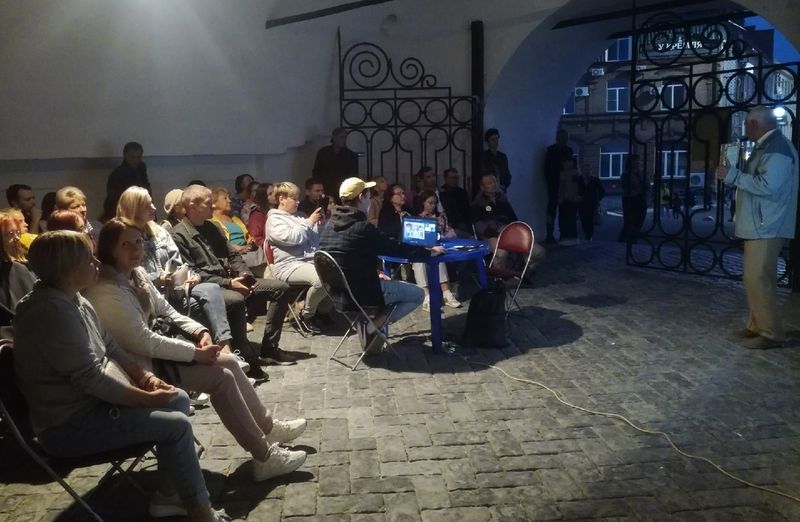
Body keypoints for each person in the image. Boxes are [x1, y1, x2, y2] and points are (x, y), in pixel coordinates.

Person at [13, 230, 228, 522]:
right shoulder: (49, 312)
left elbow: (111, 346)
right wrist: (144, 399)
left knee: (177, 398)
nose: (96, 263)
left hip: (92, 406)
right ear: (67, 268)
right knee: (176, 425)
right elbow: (90, 378)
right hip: (68, 426)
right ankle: (200, 511)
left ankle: (170, 494)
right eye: (88, 259)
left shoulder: (73, 298)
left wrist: (146, 379)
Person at [85, 219, 308, 482]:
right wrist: (195, 352)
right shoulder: (108, 292)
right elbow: (143, 341)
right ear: (109, 249)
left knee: (229, 362)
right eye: (125, 244)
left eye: (138, 242)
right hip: (141, 370)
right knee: (221, 378)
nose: (136, 249)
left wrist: (199, 331)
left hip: (157, 356)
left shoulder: (136, 275)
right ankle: (264, 455)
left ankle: (267, 427)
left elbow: (167, 311)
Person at [116, 186, 255, 372]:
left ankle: (226, 349)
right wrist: (158, 279)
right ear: (134, 208)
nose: (154, 208)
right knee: (224, 298)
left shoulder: (159, 232)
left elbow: (180, 263)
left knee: (212, 290)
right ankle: (227, 357)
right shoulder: (124, 236)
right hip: (150, 294)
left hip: (179, 288)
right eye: (148, 205)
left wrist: (190, 276)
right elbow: (127, 272)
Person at [171, 185, 295, 369]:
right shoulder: (179, 235)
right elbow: (192, 273)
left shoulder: (212, 227)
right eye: (208, 203)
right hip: (209, 287)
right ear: (192, 206)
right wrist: (228, 283)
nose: (213, 206)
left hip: (229, 280)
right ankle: (245, 356)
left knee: (281, 289)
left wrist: (245, 275)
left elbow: (233, 255)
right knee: (235, 299)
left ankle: (269, 347)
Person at [715, 106, 799, 350]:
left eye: (746, 124)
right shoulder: (769, 146)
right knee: (758, 278)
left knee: (757, 278)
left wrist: (732, 176)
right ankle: (757, 326)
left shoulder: (777, 148)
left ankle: (771, 333)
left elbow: (767, 185)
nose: (745, 128)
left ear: (754, 124)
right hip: (764, 223)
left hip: (767, 224)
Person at [319, 177, 429, 352]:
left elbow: (345, 258)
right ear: (361, 197)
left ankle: (369, 325)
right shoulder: (362, 228)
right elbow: (394, 248)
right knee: (418, 294)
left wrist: (375, 271)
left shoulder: (329, 225)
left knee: (389, 286)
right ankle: (371, 326)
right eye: (368, 196)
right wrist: (428, 251)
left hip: (339, 293)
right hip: (364, 293)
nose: (370, 200)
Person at [266, 182, 333, 334]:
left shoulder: (300, 216)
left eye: (298, 198)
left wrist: (320, 225)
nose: (298, 202)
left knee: (338, 273)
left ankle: (321, 311)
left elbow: (315, 240)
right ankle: (306, 314)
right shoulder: (274, 220)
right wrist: (309, 222)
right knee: (322, 279)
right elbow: (293, 239)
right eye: (294, 198)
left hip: (308, 261)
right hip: (288, 265)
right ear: (281, 199)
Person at [471, 173, 545, 274]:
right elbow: (477, 224)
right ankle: (499, 277)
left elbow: (514, 219)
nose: (493, 185)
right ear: (482, 187)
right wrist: (495, 231)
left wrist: (518, 231)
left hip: (509, 233)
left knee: (539, 252)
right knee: (501, 254)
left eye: (495, 182)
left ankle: (523, 272)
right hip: (491, 236)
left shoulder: (503, 200)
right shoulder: (477, 203)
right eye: (489, 183)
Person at [412, 190, 460, 311]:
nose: (433, 206)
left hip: (438, 247)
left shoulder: (440, 217)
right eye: (430, 203)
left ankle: (446, 293)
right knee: (419, 261)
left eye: (435, 203)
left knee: (438, 255)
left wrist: (443, 232)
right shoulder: (417, 218)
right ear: (423, 203)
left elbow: (450, 233)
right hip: (420, 248)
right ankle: (426, 297)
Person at [102, 142, 151, 222]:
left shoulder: (141, 167)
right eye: (132, 157)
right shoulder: (117, 174)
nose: (136, 161)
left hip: (139, 210)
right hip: (121, 213)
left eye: (138, 157)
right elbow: (115, 201)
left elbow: (146, 188)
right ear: (125, 155)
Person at [544, 129, 574, 243]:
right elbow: (547, 170)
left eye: (565, 138)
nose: (564, 140)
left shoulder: (568, 151)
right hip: (554, 185)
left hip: (565, 186)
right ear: (557, 138)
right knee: (552, 210)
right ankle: (550, 233)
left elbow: (571, 168)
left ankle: (562, 233)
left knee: (563, 211)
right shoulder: (551, 151)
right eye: (562, 138)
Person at [313, 128, 359, 203]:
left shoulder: (350, 155)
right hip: (326, 188)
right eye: (341, 137)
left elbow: (353, 175)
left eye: (345, 137)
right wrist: (318, 187)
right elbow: (316, 171)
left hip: (343, 189)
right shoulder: (323, 152)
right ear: (334, 138)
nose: (343, 140)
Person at [618, 154, 648, 243]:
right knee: (629, 223)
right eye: (636, 160)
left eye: (639, 160)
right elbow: (626, 188)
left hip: (641, 201)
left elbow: (647, 187)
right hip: (630, 201)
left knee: (638, 223)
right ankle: (624, 242)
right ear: (631, 162)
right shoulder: (626, 174)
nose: (638, 162)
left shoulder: (642, 173)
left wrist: (647, 198)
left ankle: (633, 241)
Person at [577, 164, 605, 241]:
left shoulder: (595, 180)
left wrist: (598, 199)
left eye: (588, 170)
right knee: (583, 220)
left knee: (590, 220)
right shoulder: (578, 180)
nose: (587, 172)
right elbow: (574, 190)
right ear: (582, 171)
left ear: (590, 171)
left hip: (592, 204)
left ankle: (589, 236)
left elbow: (602, 191)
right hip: (581, 204)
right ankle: (587, 234)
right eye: (585, 170)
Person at [439, 168, 471, 236]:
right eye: (452, 178)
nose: (454, 180)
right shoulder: (441, 193)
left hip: (462, 223)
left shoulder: (462, 193)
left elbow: (467, 210)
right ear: (445, 179)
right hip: (448, 223)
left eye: (456, 178)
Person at [557, 157, 581, 246]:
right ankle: (567, 237)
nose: (565, 164)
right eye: (564, 162)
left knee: (570, 219)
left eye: (567, 162)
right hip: (566, 199)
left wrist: (574, 196)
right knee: (566, 219)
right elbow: (562, 187)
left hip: (570, 199)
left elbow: (575, 186)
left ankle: (570, 238)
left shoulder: (573, 173)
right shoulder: (565, 173)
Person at [247, 183, 274, 248]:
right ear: (264, 197)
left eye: (274, 192)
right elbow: (256, 238)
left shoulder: (280, 210)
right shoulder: (257, 214)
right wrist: (273, 247)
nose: (274, 195)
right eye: (270, 194)